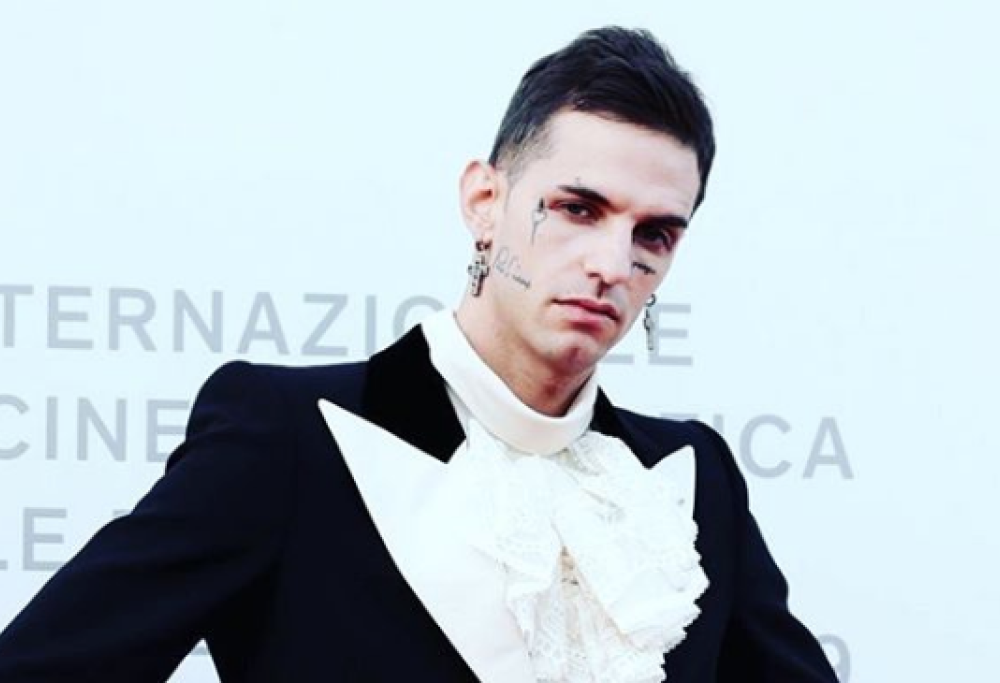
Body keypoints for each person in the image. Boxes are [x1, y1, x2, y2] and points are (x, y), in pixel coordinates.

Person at [0, 26, 837, 682]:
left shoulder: (691, 479)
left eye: (654, 234)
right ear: (485, 201)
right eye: (578, 209)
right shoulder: (290, 438)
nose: (613, 264)